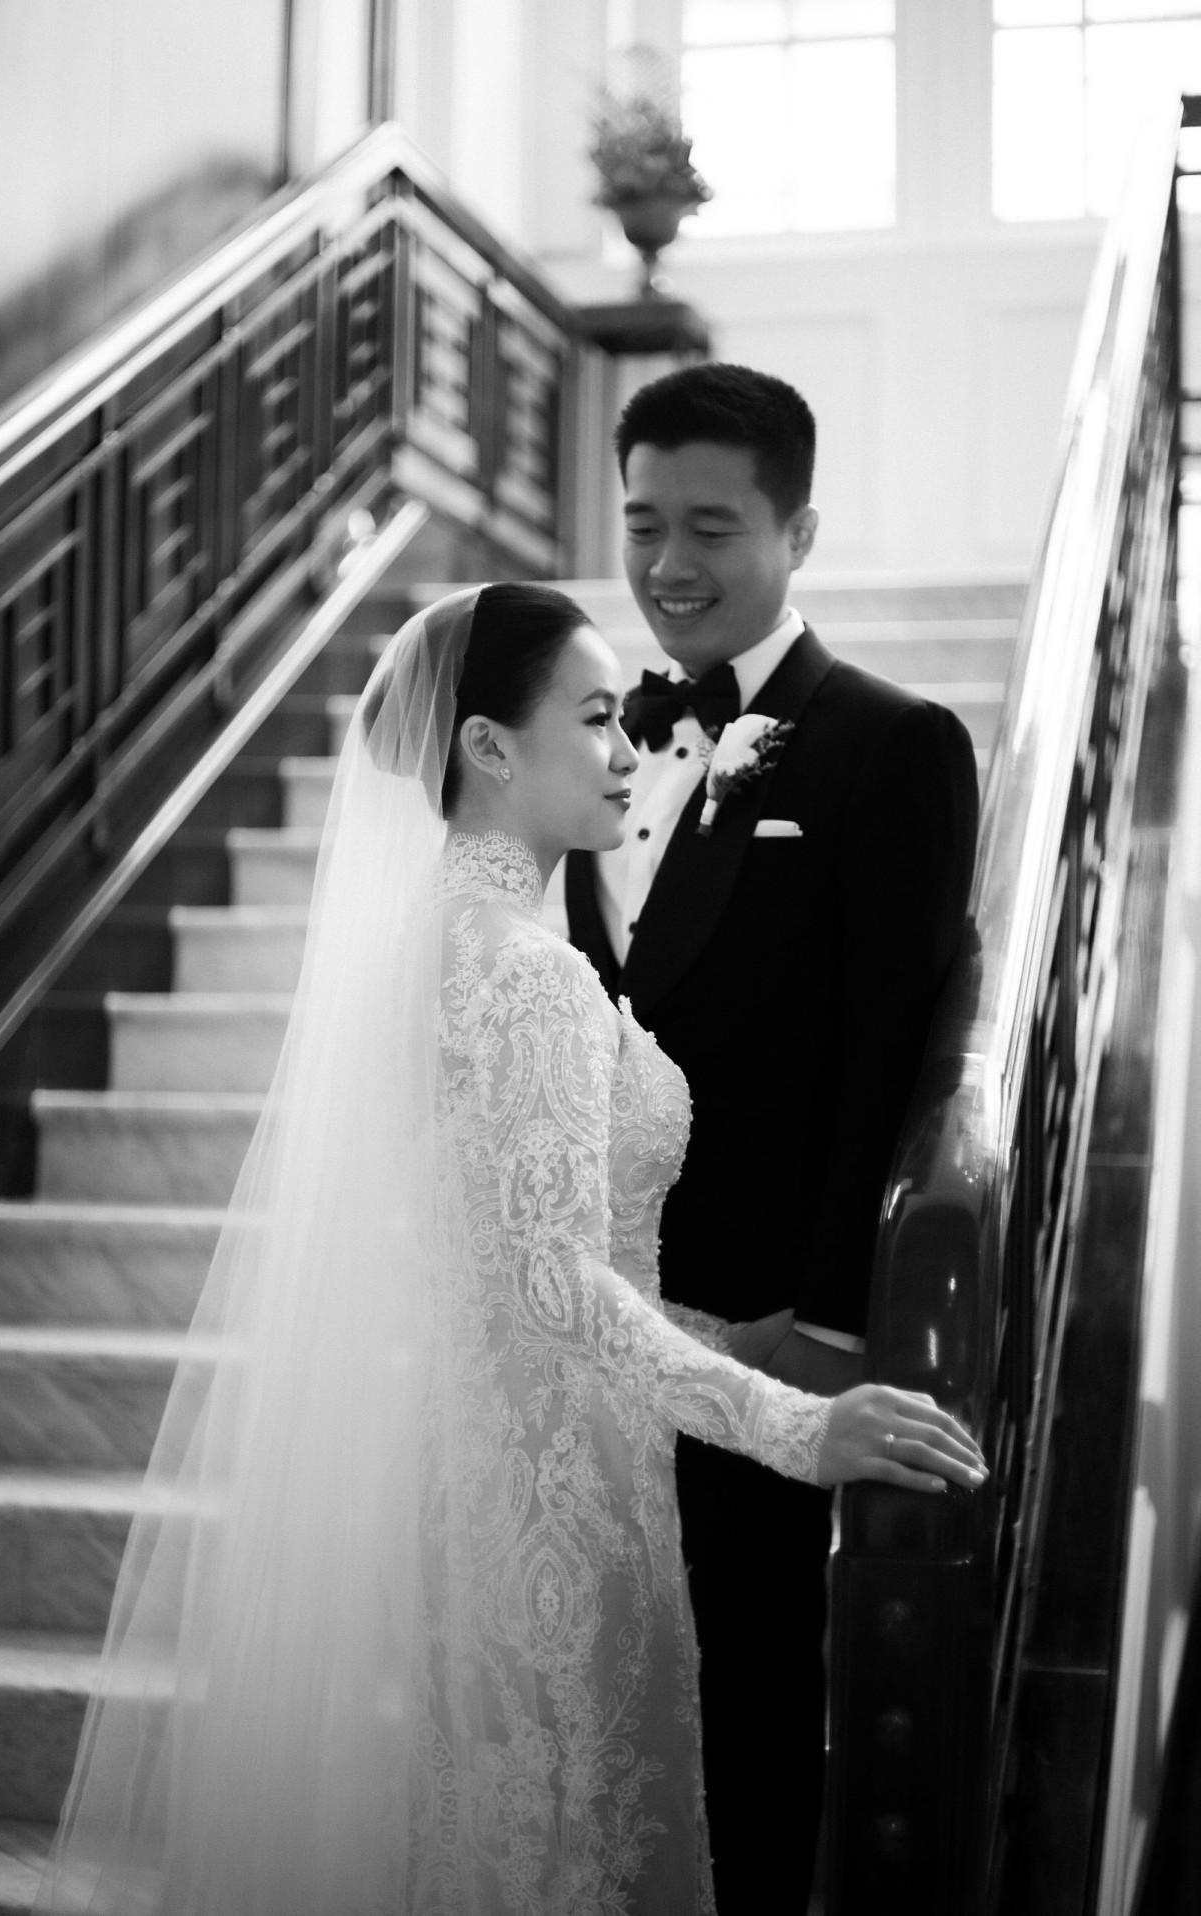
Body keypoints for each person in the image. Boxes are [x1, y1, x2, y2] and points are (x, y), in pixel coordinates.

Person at [36, 582, 984, 1916]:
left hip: (476, 1485)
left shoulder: (427, 951)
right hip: (568, 1519)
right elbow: (554, 1287)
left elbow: (498, 1273)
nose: (626, 749)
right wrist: (798, 1428)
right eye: (593, 719)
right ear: (487, 745)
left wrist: (729, 1339)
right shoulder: (533, 976)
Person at [565, 365, 982, 1912]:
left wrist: (830, 1319)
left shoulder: (892, 743)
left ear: (798, 532)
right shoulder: (585, 738)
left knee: (742, 1691)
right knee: (592, 1692)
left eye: (712, 527)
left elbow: (892, 1057)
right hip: (591, 1314)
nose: (669, 563)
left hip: (757, 1325)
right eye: (642, 524)